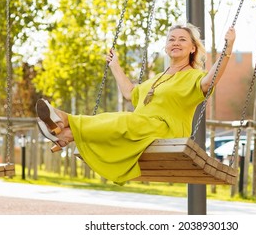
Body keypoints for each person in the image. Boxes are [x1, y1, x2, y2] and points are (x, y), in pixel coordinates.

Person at [36, 23, 236, 184]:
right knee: (115, 118)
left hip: (166, 130)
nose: (176, 42)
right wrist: (115, 65)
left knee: (125, 120)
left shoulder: (194, 77)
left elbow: (210, 80)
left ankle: (64, 119)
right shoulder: (157, 78)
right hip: (141, 127)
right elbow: (129, 92)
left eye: (182, 39)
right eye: (171, 39)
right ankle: (65, 135)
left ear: (193, 48)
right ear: (166, 47)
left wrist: (227, 49)